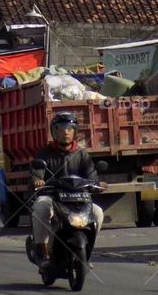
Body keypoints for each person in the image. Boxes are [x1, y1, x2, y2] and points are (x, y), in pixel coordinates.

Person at [30, 111, 106, 270]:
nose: (65, 132)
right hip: (52, 197)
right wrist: (38, 180)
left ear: (75, 131)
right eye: (60, 128)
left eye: (70, 128)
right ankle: (42, 252)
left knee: (98, 213)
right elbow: (36, 173)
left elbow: (92, 175)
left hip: (78, 199)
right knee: (40, 207)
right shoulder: (45, 152)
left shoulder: (82, 154)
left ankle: (87, 253)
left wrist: (98, 184)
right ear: (54, 131)